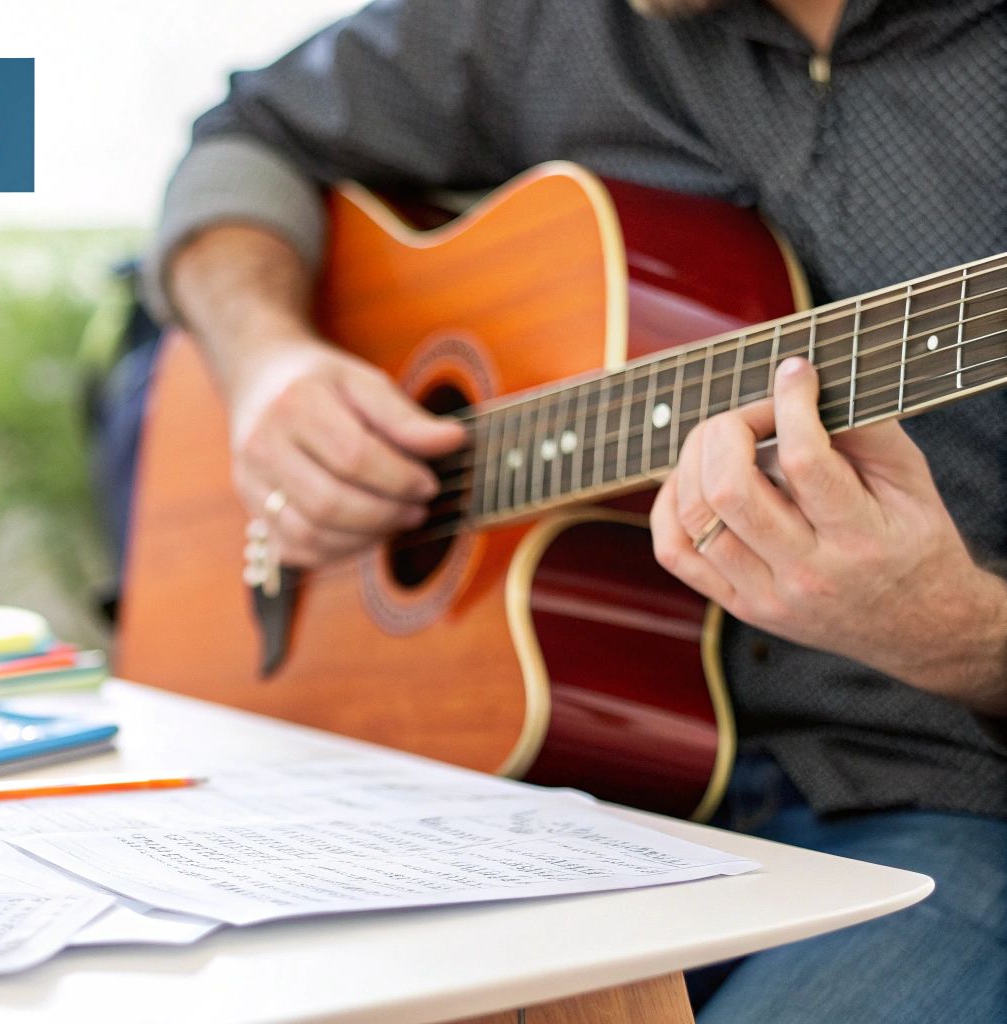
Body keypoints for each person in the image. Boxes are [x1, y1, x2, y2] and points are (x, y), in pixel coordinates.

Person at [141, 1, 1007, 1020]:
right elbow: (244, 137)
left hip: (928, 803)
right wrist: (265, 361)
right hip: (530, 796)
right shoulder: (541, 21)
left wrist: (960, 635)